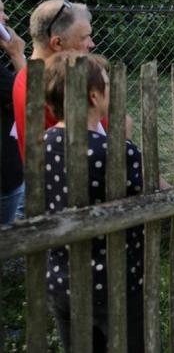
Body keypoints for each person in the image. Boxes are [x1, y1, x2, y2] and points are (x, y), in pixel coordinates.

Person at [43, 51, 144, 353]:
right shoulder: (114, 150)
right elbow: (144, 200)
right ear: (93, 95)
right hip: (114, 282)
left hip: (62, 278)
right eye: (109, 86)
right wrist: (124, 141)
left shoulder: (43, 143)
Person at [13, 0, 96, 160]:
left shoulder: (26, 75)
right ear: (57, 43)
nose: (91, 44)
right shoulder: (58, 88)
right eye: (84, 37)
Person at [0, 0, 26, 225]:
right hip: (5, 179)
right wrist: (17, 54)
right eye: (0, 12)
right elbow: (30, 98)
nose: (6, 18)